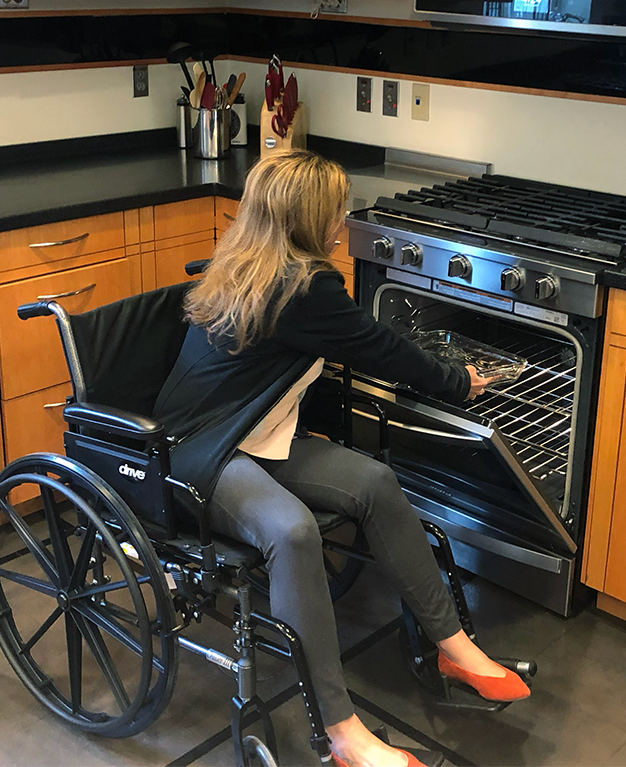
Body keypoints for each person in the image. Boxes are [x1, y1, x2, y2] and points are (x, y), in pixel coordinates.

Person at [154, 151, 529, 767]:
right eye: (336, 210)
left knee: (375, 483)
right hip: (201, 449)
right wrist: (457, 380)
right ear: (305, 219)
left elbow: (357, 340)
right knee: (293, 531)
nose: (344, 220)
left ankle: (453, 646)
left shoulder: (250, 261)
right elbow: (379, 348)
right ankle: (342, 733)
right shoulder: (301, 285)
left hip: (254, 431)